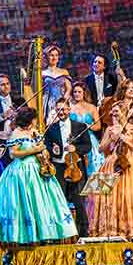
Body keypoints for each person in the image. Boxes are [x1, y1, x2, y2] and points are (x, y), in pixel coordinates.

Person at [0, 107, 77, 244]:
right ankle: (26, 236)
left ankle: (47, 233)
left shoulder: (35, 132)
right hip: (22, 171)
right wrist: (34, 150)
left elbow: (42, 149)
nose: (36, 121)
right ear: (29, 120)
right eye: (34, 118)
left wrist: (46, 151)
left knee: (43, 200)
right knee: (26, 201)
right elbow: (13, 154)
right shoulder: (16, 133)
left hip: (39, 168)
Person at [88, 102, 133, 237]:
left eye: (117, 111)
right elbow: (100, 148)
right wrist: (111, 139)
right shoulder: (109, 129)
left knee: (131, 195)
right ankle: (112, 230)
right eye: (112, 112)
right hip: (112, 163)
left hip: (129, 162)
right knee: (109, 197)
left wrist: (124, 139)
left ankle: (132, 229)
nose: (114, 114)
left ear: (124, 112)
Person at [45, 98, 92, 237]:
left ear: (69, 110)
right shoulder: (51, 129)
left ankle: (82, 233)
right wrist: (54, 150)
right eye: (59, 109)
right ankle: (61, 232)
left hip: (76, 167)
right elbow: (47, 146)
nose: (62, 112)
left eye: (64, 109)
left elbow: (87, 146)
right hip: (59, 167)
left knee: (79, 201)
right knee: (59, 200)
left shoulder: (80, 126)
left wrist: (75, 148)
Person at [69, 82, 104, 175]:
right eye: (75, 92)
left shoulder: (92, 107)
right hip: (76, 139)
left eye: (79, 92)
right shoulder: (70, 108)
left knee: (93, 167)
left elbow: (98, 126)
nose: (76, 94)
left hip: (90, 139)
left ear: (84, 93)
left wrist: (89, 126)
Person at [41, 45, 72, 127]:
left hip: (61, 98)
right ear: (47, 57)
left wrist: (63, 101)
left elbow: (68, 88)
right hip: (47, 101)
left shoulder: (64, 71)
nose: (54, 57)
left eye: (56, 55)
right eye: (51, 55)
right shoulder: (42, 73)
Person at [0, 74, 18, 144]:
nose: (6, 86)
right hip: (0, 139)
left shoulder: (19, 100)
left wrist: (17, 115)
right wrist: (2, 116)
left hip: (17, 136)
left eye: (8, 84)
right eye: (3, 85)